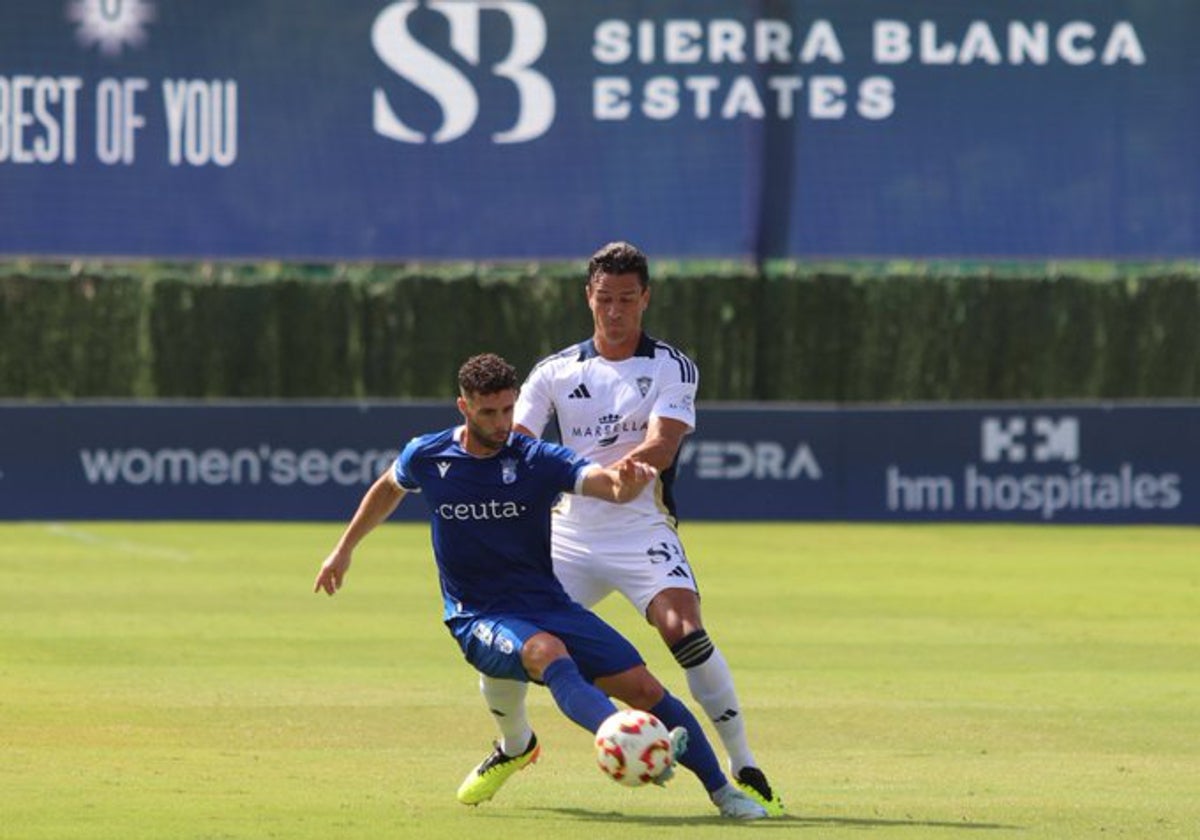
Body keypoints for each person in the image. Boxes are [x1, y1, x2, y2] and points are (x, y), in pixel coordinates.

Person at [313, 352, 767, 820]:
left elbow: (603, 484)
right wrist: (344, 548)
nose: (502, 421)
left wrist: (624, 482)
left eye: (509, 409)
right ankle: (615, 734)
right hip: (478, 614)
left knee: (645, 688)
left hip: (548, 603)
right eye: (489, 411)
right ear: (463, 406)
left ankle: (723, 792)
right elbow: (389, 486)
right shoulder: (428, 455)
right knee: (547, 652)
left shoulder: (535, 458)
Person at [467, 243, 784, 816]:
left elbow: (662, 444)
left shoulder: (670, 365)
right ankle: (513, 745)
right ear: (589, 297)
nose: (615, 312)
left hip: (640, 527)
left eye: (627, 300)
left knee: (684, 630)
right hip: (568, 534)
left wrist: (613, 474)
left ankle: (743, 762)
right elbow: (513, 444)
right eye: (605, 299)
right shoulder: (556, 371)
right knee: (509, 639)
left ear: (646, 299)